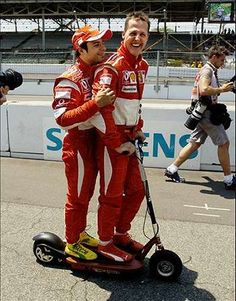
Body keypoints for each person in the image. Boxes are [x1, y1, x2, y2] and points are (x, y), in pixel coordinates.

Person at [52, 25, 120, 260]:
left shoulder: (96, 71)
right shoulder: (68, 78)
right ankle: (71, 242)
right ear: (80, 50)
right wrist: (95, 104)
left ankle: (79, 233)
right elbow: (62, 119)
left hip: (93, 141)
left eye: (103, 43)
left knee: (87, 193)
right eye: (96, 44)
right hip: (77, 144)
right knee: (78, 196)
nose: (103, 48)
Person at [86, 11, 150, 262]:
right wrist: (116, 142)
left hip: (130, 137)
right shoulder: (111, 67)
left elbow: (136, 103)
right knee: (112, 194)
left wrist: (138, 128)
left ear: (148, 37)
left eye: (142, 34)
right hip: (112, 140)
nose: (137, 38)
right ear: (124, 35)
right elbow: (101, 111)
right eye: (133, 32)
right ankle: (105, 243)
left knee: (136, 190)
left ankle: (120, 234)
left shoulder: (143, 65)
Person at [165, 45, 235, 190]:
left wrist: (221, 88)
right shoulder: (208, 71)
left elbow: (207, 90)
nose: (223, 63)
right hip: (208, 114)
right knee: (224, 143)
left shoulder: (209, 70)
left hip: (201, 113)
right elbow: (204, 90)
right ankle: (229, 179)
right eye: (222, 60)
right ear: (214, 57)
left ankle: (172, 169)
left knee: (194, 143)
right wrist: (221, 89)